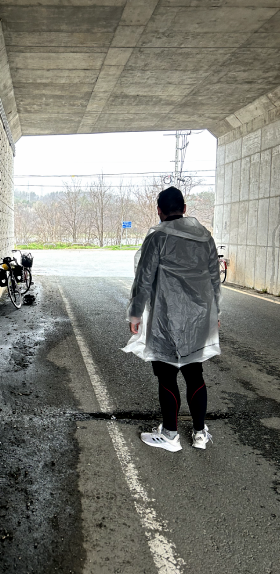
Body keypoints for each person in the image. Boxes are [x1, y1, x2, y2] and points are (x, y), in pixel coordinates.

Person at [122, 186, 221, 452]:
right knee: (194, 373)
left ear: (159, 211)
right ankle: (200, 433)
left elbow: (143, 280)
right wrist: (216, 314)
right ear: (185, 209)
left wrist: (135, 314)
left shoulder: (157, 238)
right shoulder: (205, 238)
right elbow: (215, 280)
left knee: (167, 377)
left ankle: (170, 434)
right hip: (198, 319)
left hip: (166, 317)